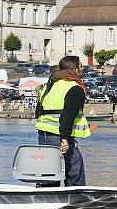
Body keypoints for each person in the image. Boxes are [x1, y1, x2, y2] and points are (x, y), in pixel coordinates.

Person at [35, 55, 91, 186]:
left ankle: (46, 197)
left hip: (43, 135)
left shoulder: (48, 86)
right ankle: (76, 201)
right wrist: (64, 138)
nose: (82, 69)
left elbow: (38, 112)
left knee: (49, 173)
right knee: (74, 171)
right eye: (81, 66)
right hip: (60, 136)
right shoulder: (74, 88)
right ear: (75, 69)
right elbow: (68, 115)